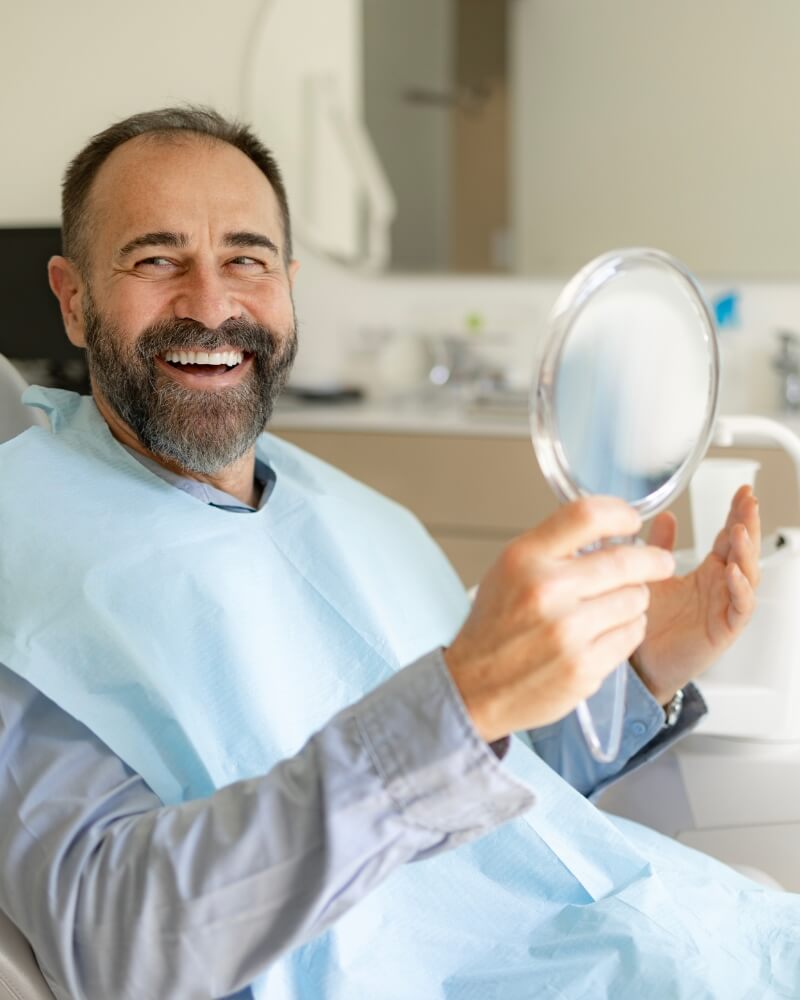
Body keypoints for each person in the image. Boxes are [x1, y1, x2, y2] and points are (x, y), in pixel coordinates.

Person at [0, 106, 791, 1000]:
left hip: (639, 939)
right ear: (72, 298)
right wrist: (461, 700)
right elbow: (118, 938)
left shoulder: (347, 511)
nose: (212, 304)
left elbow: (485, 800)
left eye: (247, 261)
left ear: (289, 286)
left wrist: (642, 666)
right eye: (156, 259)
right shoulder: (22, 565)